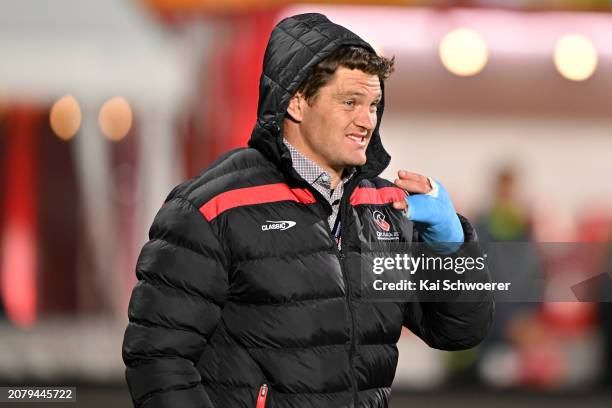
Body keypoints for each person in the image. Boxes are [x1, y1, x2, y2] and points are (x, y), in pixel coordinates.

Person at [122, 13, 494, 408]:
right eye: (350, 102)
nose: (367, 120)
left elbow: (458, 332)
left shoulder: (385, 209)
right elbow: (158, 360)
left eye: (373, 105)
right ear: (297, 102)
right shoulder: (212, 207)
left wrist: (453, 251)